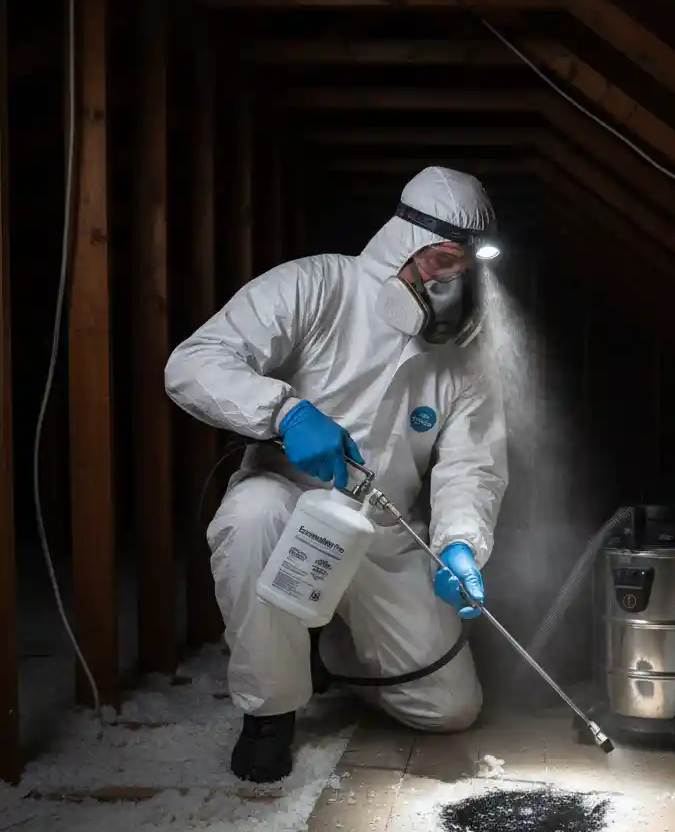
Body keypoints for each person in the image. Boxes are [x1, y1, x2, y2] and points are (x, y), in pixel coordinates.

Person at [164, 166, 508, 783]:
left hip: (385, 529)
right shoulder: (316, 285)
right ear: (405, 243)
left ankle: (332, 648)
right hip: (289, 499)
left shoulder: (465, 359)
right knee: (249, 517)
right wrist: (286, 412)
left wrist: (461, 542)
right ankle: (271, 712)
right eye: (443, 261)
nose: (451, 281)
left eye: (464, 267)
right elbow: (193, 363)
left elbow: (472, 466)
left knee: (449, 708)